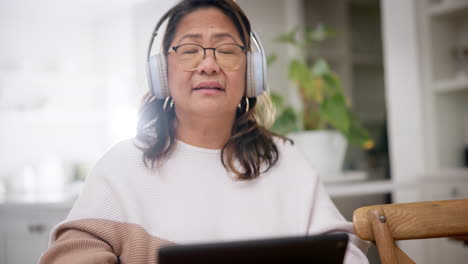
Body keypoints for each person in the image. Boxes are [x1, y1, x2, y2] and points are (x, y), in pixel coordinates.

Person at [39, 0, 369, 263]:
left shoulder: (285, 161)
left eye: (226, 51)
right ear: (161, 72)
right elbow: (71, 253)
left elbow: (344, 250)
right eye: (189, 50)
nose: (208, 65)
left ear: (251, 74)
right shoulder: (122, 165)